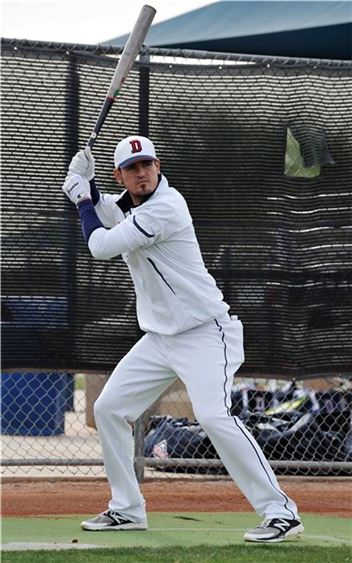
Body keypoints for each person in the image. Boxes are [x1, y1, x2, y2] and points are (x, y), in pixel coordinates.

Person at [61, 135, 304, 543]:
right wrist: (88, 188)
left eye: (148, 166)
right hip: (160, 338)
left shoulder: (167, 207)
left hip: (206, 334)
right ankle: (127, 509)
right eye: (133, 169)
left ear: (158, 168)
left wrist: (82, 199)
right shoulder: (131, 205)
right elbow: (110, 211)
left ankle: (281, 513)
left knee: (213, 417)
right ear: (121, 175)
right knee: (109, 409)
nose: (142, 174)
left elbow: (100, 243)